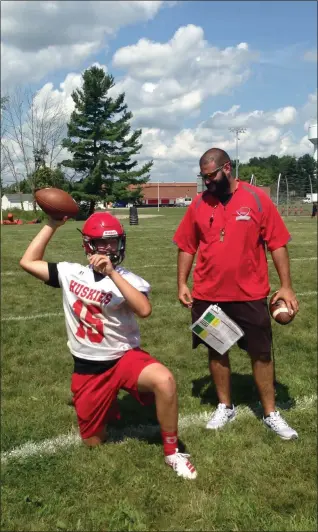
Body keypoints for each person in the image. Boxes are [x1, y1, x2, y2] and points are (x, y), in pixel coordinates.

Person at [20, 211, 197, 479]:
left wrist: (112, 274)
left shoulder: (129, 279)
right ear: (88, 245)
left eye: (112, 242)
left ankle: (173, 453)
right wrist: (52, 225)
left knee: (165, 381)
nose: (107, 248)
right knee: (93, 442)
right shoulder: (71, 273)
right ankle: (108, 406)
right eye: (101, 243)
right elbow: (28, 261)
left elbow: (144, 309)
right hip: (88, 367)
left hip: (123, 358)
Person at [173, 147, 299, 440]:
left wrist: (287, 285)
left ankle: (270, 413)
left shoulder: (256, 198)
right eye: (203, 177)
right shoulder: (199, 204)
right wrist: (182, 283)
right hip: (208, 293)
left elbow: (277, 243)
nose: (207, 182)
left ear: (227, 168)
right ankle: (225, 406)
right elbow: (186, 246)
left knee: (261, 353)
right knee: (217, 350)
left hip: (249, 294)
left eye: (211, 176)